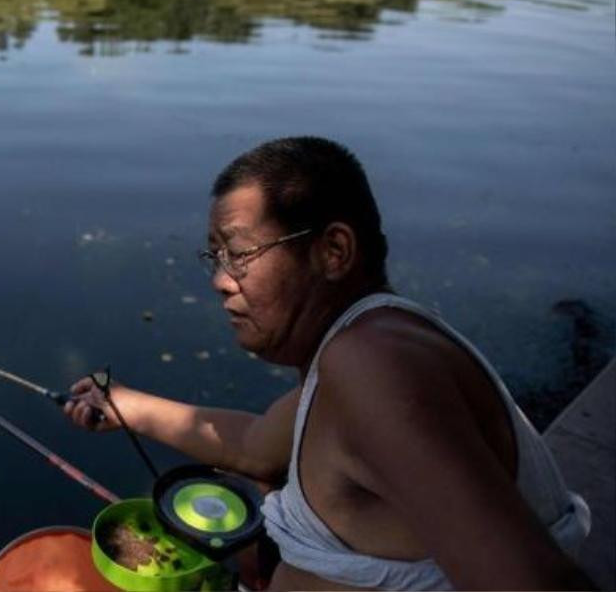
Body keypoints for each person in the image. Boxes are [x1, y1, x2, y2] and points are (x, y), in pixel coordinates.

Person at [63, 136, 592, 590]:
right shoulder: (363, 350)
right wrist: (128, 405)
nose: (220, 281)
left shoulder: (374, 368)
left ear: (333, 251)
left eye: (239, 254)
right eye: (215, 257)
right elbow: (255, 448)